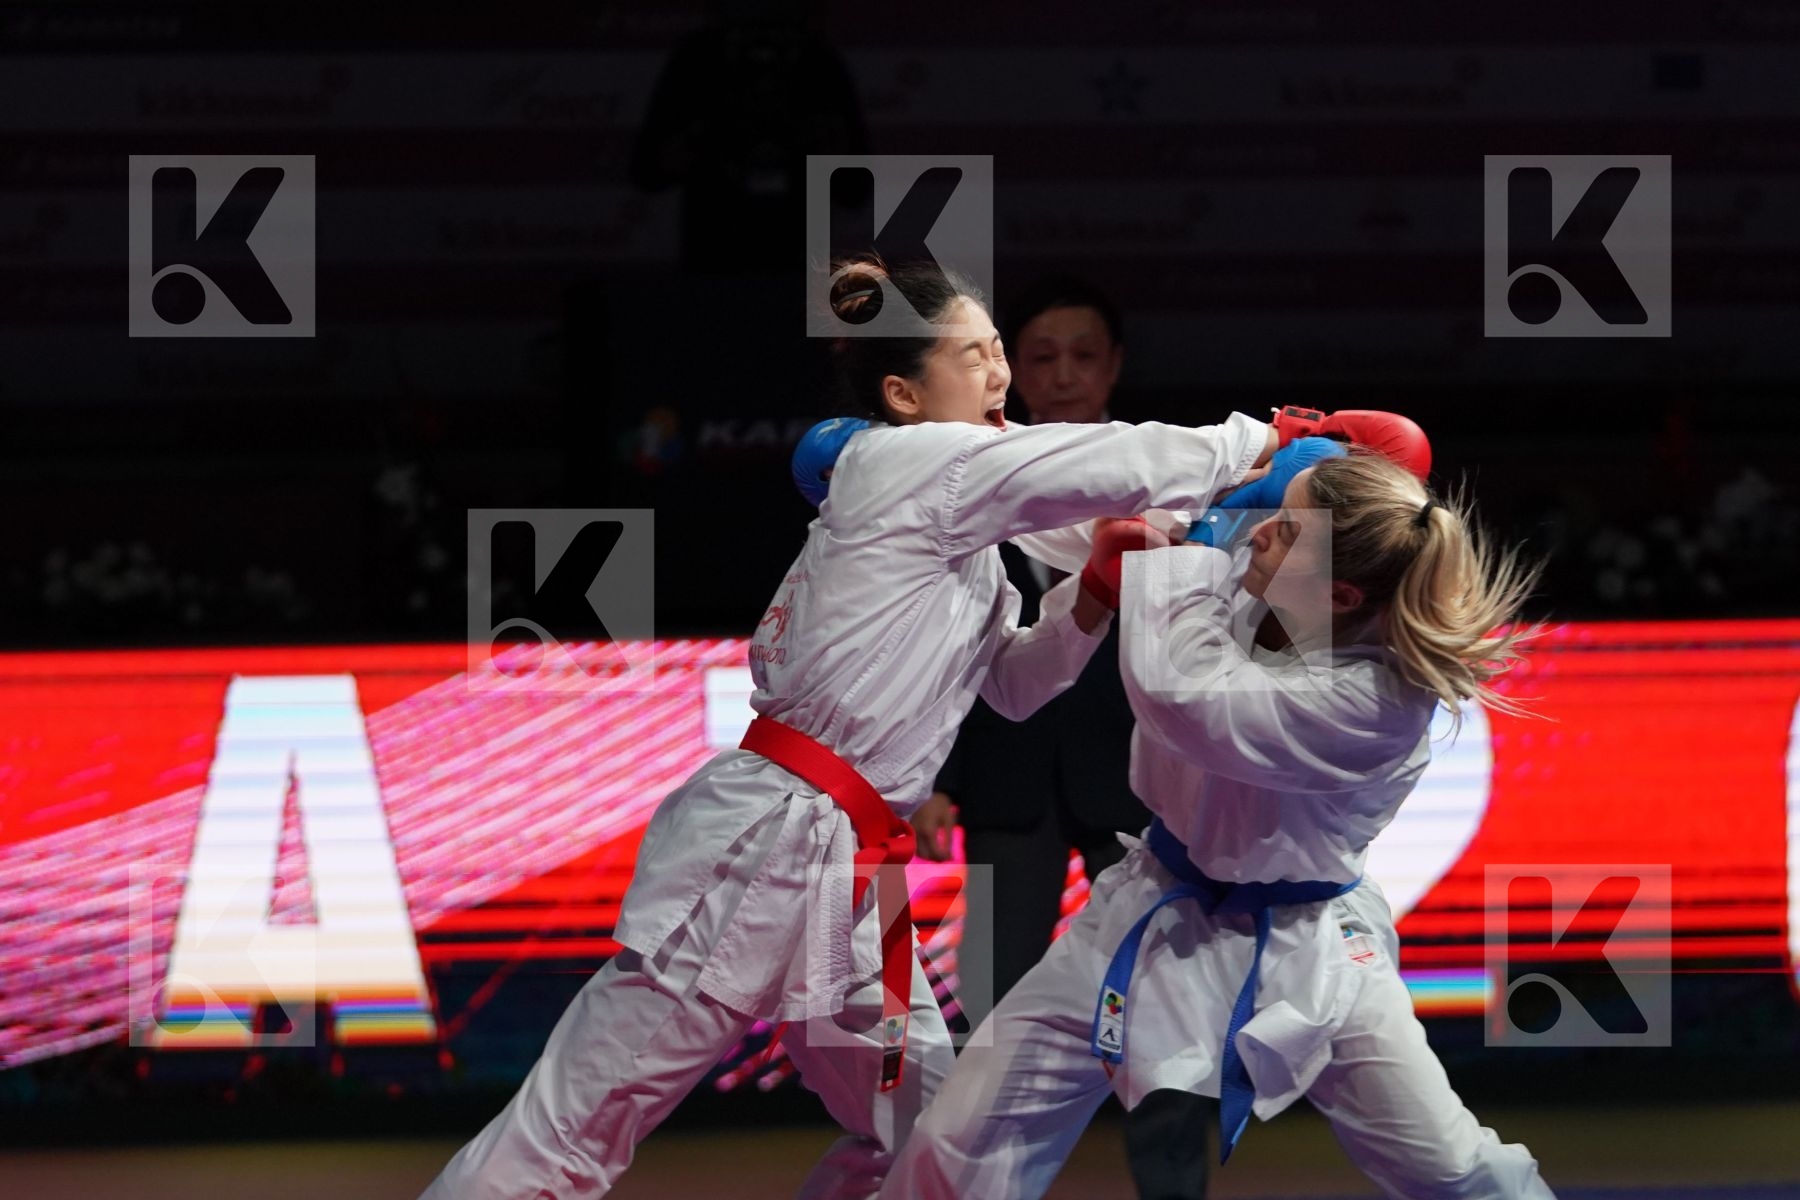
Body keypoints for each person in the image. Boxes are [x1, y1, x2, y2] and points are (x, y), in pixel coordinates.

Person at [417, 256, 1285, 1200]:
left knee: (933, 1136)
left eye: (999, 350)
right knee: (574, 1129)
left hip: (854, 870)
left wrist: (1090, 597)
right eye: (973, 356)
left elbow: (1011, 689)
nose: (1000, 373)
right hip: (767, 843)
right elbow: (1101, 462)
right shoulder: (899, 464)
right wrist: (1269, 440)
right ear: (904, 395)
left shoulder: (967, 551)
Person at [882, 441, 1557, 1200]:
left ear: (1340, 596)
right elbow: (1110, 518)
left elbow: (1182, 693)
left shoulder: (1377, 702)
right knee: (961, 1139)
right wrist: (1254, 459)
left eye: (1286, 528)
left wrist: (1198, 539)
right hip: (1148, 908)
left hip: (1311, 950)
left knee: (1451, 1167)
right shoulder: (1275, 575)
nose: (1259, 532)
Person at [910, 274, 1223, 1199]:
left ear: (1114, 365)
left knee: (1165, 1006)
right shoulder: (963, 476)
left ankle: (1175, 1193)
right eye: (1041, 356)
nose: (1063, 373)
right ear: (1010, 366)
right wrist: (932, 777)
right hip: (1004, 780)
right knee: (991, 1012)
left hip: (1143, 782)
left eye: (1083, 355)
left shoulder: (1167, 474)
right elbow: (932, 641)